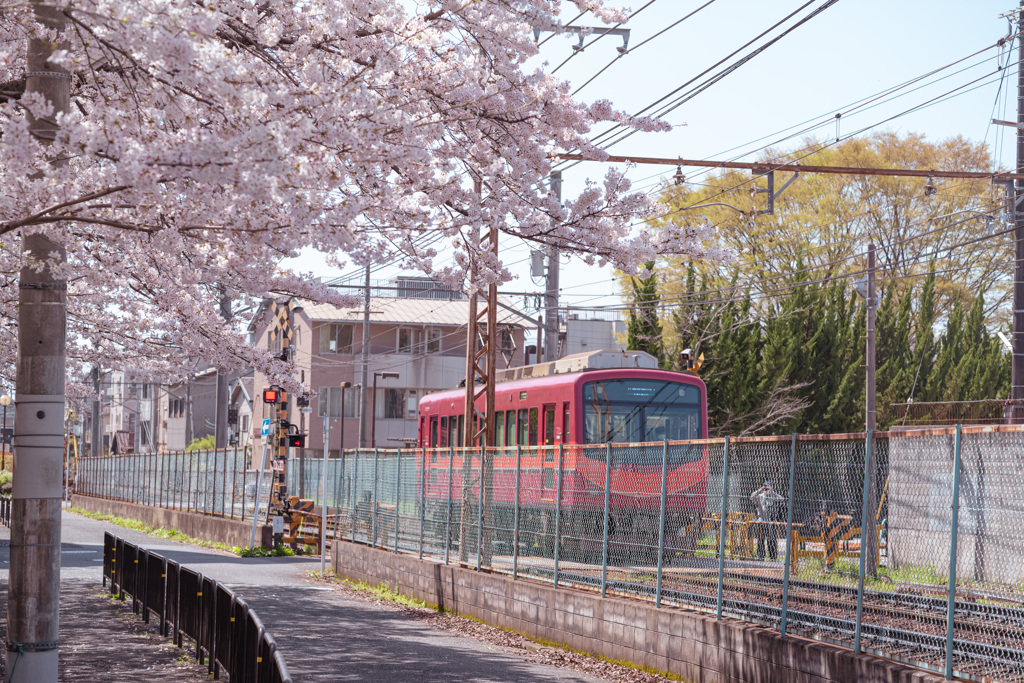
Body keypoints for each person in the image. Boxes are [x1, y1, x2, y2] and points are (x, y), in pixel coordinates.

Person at [750, 481, 785, 561]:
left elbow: (781, 499)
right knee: (760, 539)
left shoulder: (773, 496)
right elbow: (751, 497)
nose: (766, 489)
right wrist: (759, 491)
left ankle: (773, 557)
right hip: (761, 519)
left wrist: (773, 492)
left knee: (772, 540)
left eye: (767, 487)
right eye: (765, 487)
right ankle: (761, 556)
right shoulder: (759, 496)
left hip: (770, 520)